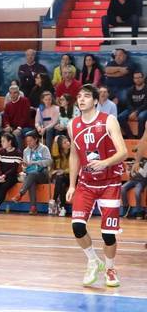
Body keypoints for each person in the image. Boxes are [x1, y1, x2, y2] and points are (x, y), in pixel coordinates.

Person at [66, 84, 126, 287]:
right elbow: (74, 155)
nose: (81, 99)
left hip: (110, 183)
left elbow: (123, 152)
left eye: (86, 96)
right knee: (77, 226)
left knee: (108, 234)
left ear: (95, 100)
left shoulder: (109, 120)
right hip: (86, 183)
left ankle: (110, 268)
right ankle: (93, 261)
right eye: (79, 96)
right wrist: (71, 185)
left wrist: (104, 163)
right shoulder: (72, 125)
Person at [13, 131, 51, 215]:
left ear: (36, 139)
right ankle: (33, 207)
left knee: (32, 175)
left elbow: (49, 161)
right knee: (31, 179)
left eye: (30, 141)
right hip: (30, 174)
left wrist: (35, 162)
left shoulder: (44, 148)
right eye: (27, 141)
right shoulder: (26, 150)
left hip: (43, 174)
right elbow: (25, 164)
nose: (28, 143)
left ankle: (21, 193)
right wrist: (24, 167)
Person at [0, 132, 22, 215]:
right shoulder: (0, 151)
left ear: (10, 142)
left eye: (3, 141)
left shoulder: (18, 152)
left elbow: (14, 168)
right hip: (0, 174)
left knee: (3, 187)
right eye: (1, 141)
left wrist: (4, 175)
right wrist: (0, 175)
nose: (1, 143)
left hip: (11, 175)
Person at [118, 71, 147, 138]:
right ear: (133, 79)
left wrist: (136, 112)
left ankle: (140, 137)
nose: (137, 79)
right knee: (120, 117)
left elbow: (146, 104)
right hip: (132, 109)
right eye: (135, 78)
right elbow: (128, 103)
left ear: (143, 78)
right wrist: (132, 111)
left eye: (139, 77)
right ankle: (131, 137)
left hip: (144, 109)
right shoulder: (130, 90)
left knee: (141, 117)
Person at [50, 135, 71, 217]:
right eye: (64, 143)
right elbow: (54, 152)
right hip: (63, 177)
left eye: (67, 141)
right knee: (61, 182)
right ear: (60, 146)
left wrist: (64, 171)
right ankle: (62, 207)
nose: (68, 143)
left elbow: (75, 168)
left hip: (74, 177)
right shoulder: (59, 154)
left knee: (60, 178)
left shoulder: (73, 152)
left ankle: (54, 200)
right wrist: (55, 141)